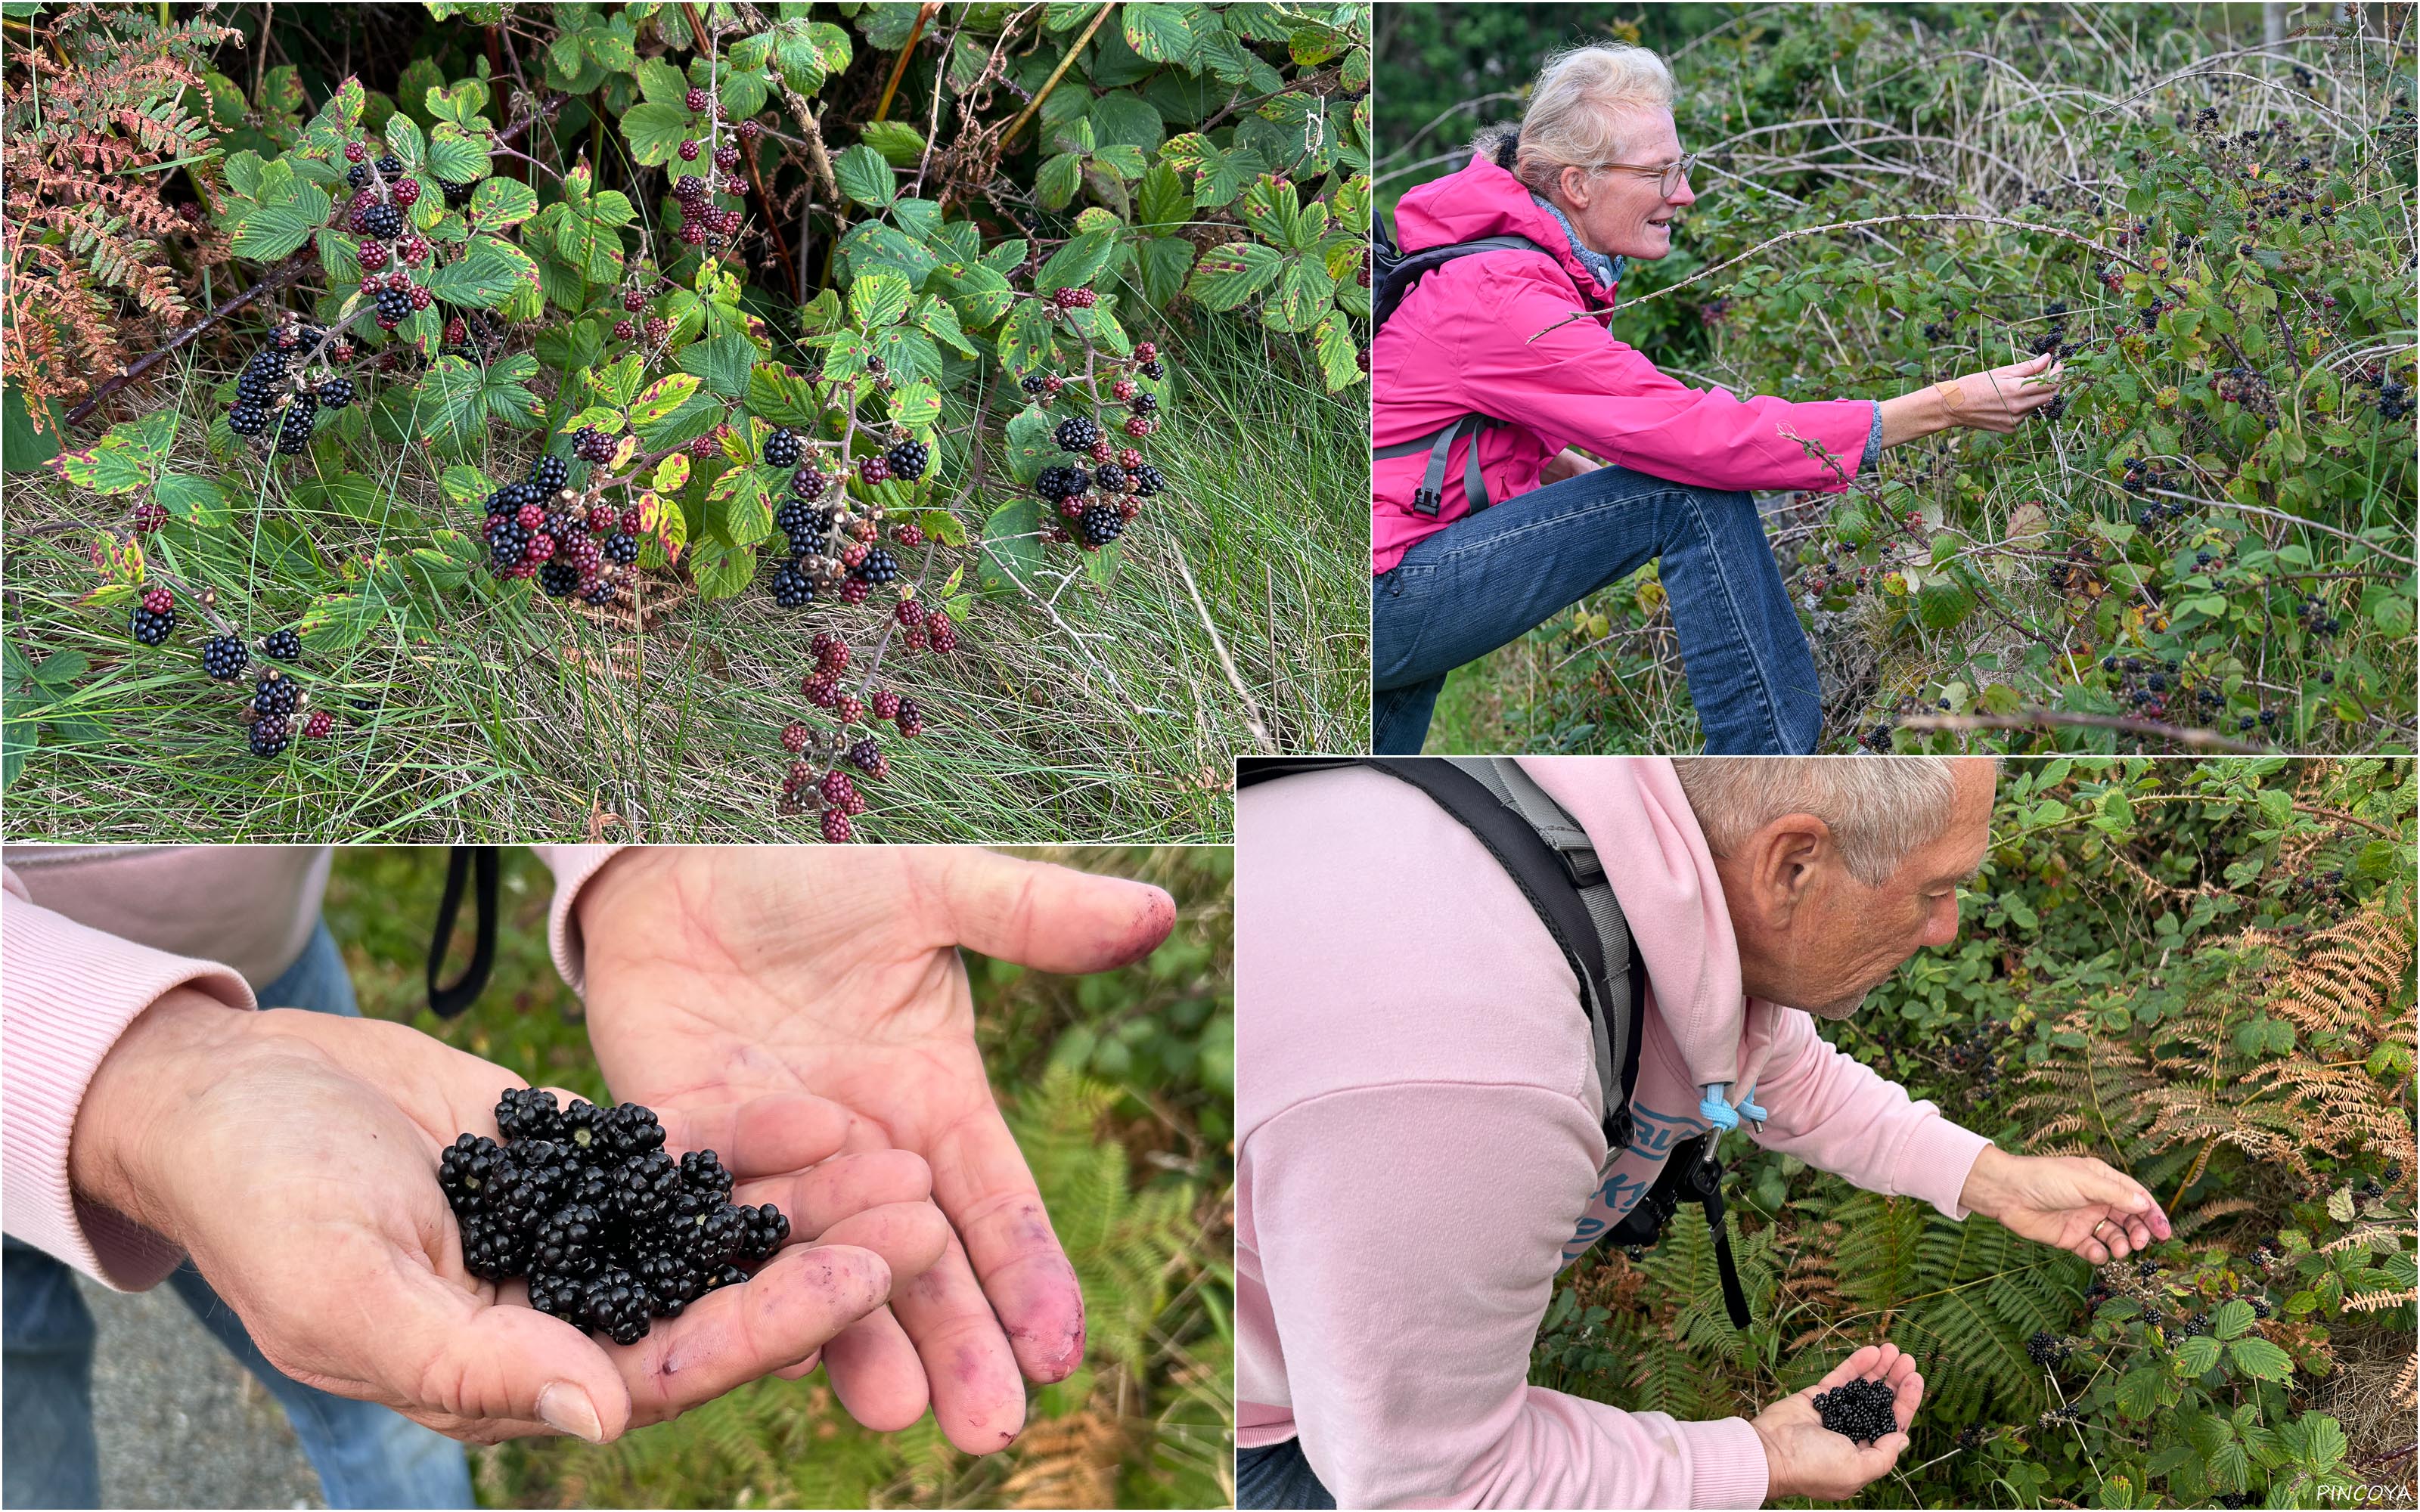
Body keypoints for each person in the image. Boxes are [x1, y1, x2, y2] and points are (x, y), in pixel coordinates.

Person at [2, 844, 1175, 1507]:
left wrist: (642, 852)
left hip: (255, 994)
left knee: (407, 1430)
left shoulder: (537, 1192)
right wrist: (140, 1081)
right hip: (148, 1054)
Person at [1234, 758, 2171, 1508]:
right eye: (1934, 888)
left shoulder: (1628, 848)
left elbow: (1775, 1067)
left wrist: (1995, 1179)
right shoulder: (1470, 1080)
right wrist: (1756, 1457)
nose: (1945, 927)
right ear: (1791, 864)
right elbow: (1431, 1482)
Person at [1372, 43, 2065, 754]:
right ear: (1576, 184)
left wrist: (1579, 482)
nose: (1684, 193)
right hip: (1385, 589)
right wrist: (1941, 406)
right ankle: (1767, 775)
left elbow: (1451, 421)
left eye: (1683, 166)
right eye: (1660, 173)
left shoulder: (1507, 262)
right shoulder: (1504, 294)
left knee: (1364, 798)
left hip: (1390, 569)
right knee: (1689, 491)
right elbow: (1695, 433)